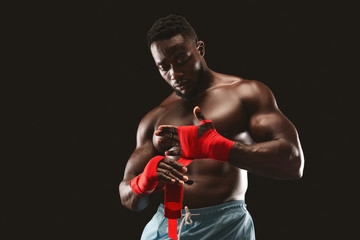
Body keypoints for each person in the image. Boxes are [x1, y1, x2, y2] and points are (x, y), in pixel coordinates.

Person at [119, 14, 304, 240]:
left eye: (181, 60)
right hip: (166, 229)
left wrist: (220, 148)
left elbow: (293, 163)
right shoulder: (155, 118)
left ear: (200, 49)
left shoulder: (244, 94)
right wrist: (145, 180)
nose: (174, 74)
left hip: (226, 228)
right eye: (164, 67)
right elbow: (128, 198)